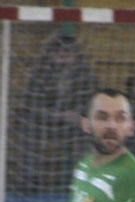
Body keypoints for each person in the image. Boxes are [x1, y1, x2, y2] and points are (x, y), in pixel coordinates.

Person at [17, 32, 97, 192]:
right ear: (51, 55)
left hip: (75, 123)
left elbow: (93, 102)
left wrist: (77, 116)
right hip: (46, 122)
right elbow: (31, 104)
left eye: (67, 54)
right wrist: (55, 115)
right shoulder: (41, 74)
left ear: (76, 56)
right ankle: (28, 182)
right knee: (28, 131)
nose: (63, 58)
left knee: (89, 132)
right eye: (58, 54)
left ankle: (83, 182)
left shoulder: (87, 75)